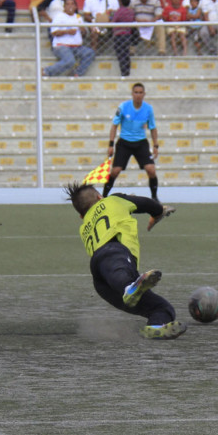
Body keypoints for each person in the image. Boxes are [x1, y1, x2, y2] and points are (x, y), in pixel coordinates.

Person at [63, 182, 184, 340]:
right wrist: (159, 211)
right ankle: (129, 288)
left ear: (81, 215)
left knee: (162, 307)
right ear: (100, 197)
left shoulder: (84, 226)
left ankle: (155, 326)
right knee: (121, 273)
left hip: (102, 282)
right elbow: (145, 203)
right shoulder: (113, 200)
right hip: (115, 255)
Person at [103, 82, 160, 201]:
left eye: (140, 93)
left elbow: (153, 128)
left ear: (144, 94)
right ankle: (103, 197)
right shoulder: (123, 107)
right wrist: (111, 144)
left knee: (151, 169)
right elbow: (114, 126)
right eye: (136, 92)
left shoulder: (148, 109)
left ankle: (154, 197)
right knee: (115, 171)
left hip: (141, 142)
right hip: (124, 142)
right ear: (132, 94)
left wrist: (155, 145)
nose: (138, 95)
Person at [43, 0, 95, 78]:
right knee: (70, 61)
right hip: (62, 46)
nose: (70, 6)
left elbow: (83, 34)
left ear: (75, 7)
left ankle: (77, 73)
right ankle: (47, 71)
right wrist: (67, 32)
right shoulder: (59, 17)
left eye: (72, 4)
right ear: (64, 7)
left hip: (77, 47)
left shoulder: (78, 17)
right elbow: (54, 32)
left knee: (90, 53)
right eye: (68, 4)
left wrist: (83, 30)